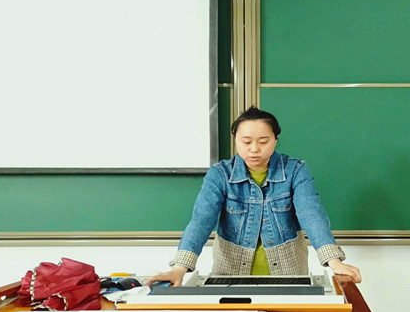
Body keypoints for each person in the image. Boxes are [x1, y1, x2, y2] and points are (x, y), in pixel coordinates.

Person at [146, 107, 361, 286]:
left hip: (289, 272)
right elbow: (202, 220)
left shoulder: (296, 170)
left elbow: (311, 214)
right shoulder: (220, 174)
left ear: (275, 140)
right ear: (236, 140)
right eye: (246, 141)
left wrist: (334, 262)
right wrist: (179, 269)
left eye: (263, 141)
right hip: (230, 273)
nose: (254, 149)